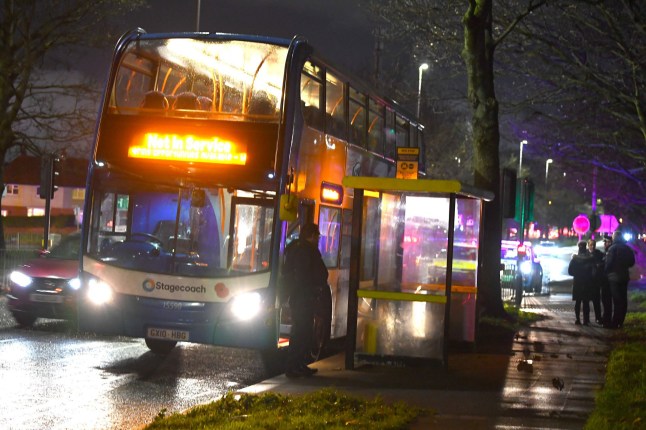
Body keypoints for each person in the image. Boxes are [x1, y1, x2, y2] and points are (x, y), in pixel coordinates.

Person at [282, 222, 328, 377]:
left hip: (302, 297)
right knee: (301, 332)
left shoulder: (300, 249)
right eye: (317, 236)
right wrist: (311, 291)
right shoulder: (305, 251)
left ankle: (300, 364)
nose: (318, 239)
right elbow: (304, 276)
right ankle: (293, 366)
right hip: (303, 297)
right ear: (313, 236)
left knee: (305, 331)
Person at [605, 230, 635, 328]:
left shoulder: (612, 249)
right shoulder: (627, 249)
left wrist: (606, 272)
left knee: (616, 300)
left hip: (613, 277)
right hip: (624, 276)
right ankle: (620, 321)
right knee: (623, 300)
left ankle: (615, 322)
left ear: (615, 238)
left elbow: (608, 264)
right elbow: (631, 262)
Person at [568, 240, 595, 325]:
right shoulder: (590, 258)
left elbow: (570, 271)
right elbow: (593, 270)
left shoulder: (575, 259)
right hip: (587, 282)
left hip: (578, 282)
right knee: (586, 302)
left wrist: (577, 273)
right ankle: (586, 320)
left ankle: (577, 319)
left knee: (578, 301)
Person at [587, 239, 605, 324]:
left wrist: (599, 265)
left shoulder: (599, 254)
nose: (592, 246)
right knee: (586, 300)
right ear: (588, 245)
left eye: (593, 245)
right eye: (591, 245)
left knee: (596, 300)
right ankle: (586, 319)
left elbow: (604, 263)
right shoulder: (586, 254)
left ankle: (598, 317)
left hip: (595, 280)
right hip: (588, 280)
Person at [600, 235, 614, 326]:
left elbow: (608, 265)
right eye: (604, 242)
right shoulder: (606, 252)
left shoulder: (610, 251)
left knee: (607, 300)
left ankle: (607, 320)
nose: (604, 244)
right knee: (605, 300)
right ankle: (605, 318)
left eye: (606, 242)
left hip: (608, 280)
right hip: (605, 280)